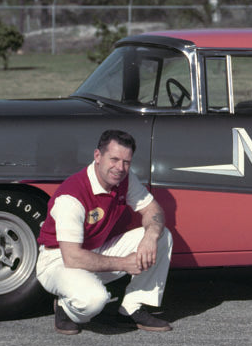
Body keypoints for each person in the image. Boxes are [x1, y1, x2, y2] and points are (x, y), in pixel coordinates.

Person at [36, 129, 173, 333]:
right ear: (97, 156)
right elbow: (72, 257)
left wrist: (150, 236)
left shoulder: (123, 179)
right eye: (114, 159)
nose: (120, 168)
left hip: (95, 250)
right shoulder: (71, 196)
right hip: (59, 260)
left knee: (162, 235)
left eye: (126, 162)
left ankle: (132, 308)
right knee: (93, 300)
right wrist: (124, 263)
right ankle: (65, 307)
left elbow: (153, 210)